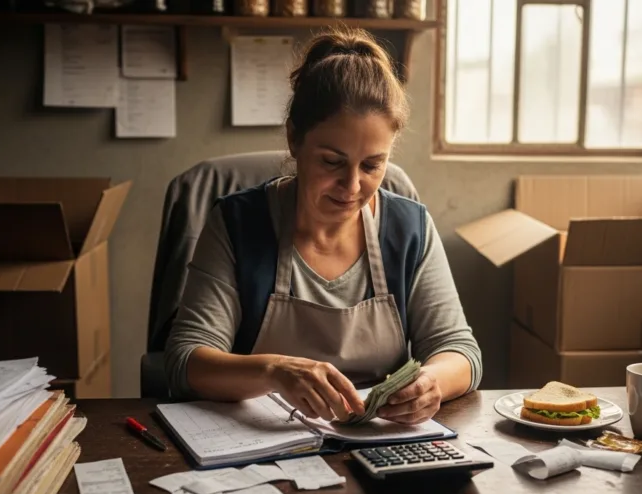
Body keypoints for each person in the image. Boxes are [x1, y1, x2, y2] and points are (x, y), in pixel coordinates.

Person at [165, 27, 482, 425]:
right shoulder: (237, 224)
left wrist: (431, 383)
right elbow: (185, 360)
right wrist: (274, 372)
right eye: (332, 162)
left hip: (379, 444)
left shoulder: (409, 228)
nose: (352, 187)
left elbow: (458, 350)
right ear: (294, 139)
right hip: (268, 441)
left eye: (372, 165)